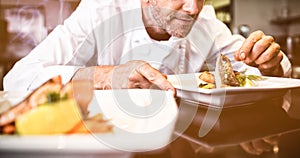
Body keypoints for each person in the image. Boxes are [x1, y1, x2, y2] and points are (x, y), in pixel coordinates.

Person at [3, 0, 291, 93]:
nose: (192, 8)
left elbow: (270, 71)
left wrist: (269, 61)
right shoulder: (101, 10)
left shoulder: (206, 21)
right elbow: (17, 78)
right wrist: (106, 76)